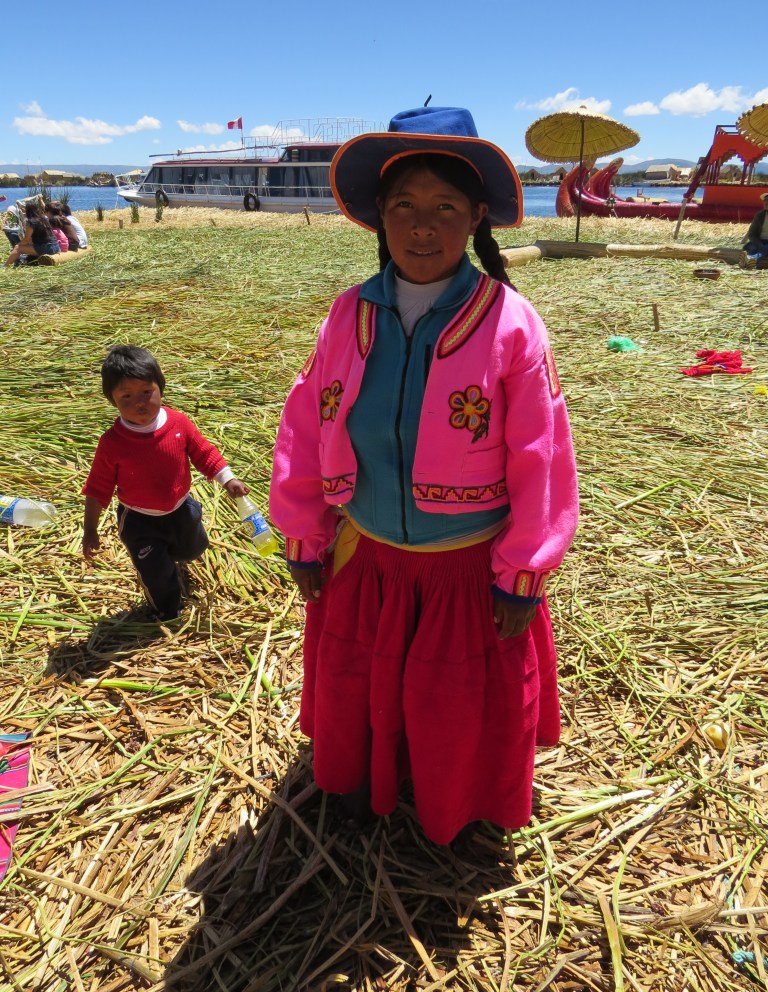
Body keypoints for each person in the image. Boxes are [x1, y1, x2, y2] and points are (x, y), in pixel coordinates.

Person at [269, 106, 579, 845]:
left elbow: (542, 454)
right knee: (365, 684)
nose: (421, 226)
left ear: (477, 218)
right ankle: (362, 780)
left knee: (452, 701)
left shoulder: (509, 323)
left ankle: (460, 806)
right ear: (380, 215)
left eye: (444, 206)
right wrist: (304, 539)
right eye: (403, 204)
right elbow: (306, 428)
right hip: (368, 557)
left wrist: (521, 573)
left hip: (466, 571)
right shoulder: (348, 316)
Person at [82, 345, 249, 620]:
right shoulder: (112, 444)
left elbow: (204, 453)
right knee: (156, 574)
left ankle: (170, 555)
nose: (140, 402)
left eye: (146, 392)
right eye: (126, 396)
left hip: (181, 508)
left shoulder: (178, 423)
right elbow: (98, 488)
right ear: (112, 401)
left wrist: (228, 479)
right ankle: (165, 610)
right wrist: (90, 530)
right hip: (140, 521)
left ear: (160, 387)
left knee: (193, 549)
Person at [740, 191, 768, 269]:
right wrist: (759, 244)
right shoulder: (759, 215)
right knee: (753, 248)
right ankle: (748, 261)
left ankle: (750, 259)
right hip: (759, 240)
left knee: (766, 248)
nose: (766, 202)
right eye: (765, 200)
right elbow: (752, 233)